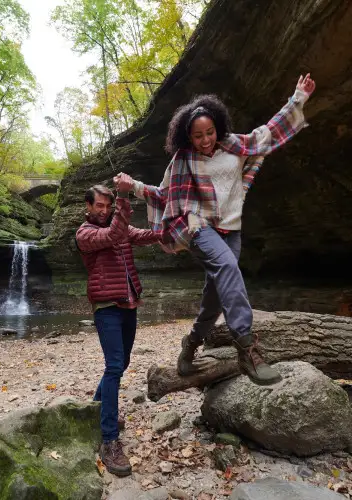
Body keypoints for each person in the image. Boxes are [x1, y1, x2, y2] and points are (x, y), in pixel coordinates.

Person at [115, 74, 316, 385]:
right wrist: (135, 187)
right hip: (197, 226)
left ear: (218, 128)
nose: (205, 140)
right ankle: (248, 349)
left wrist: (297, 99)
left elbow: (268, 133)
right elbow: (165, 194)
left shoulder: (234, 145)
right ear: (187, 137)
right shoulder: (183, 160)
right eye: (198, 136)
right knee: (227, 267)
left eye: (209, 132)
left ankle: (190, 344)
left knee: (215, 297)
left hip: (230, 230)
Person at [76, 179, 160, 477]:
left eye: (108, 205)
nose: (104, 210)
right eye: (99, 205)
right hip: (106, 307)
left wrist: (174, 232)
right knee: (113, 366)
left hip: (129, 303)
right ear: (88, 206)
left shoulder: (119, 227)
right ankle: (109, 439)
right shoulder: (85, 233)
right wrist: (124, 194)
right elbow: (113, 234)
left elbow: (143, 234)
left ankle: (97, 409)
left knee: (122, 362)